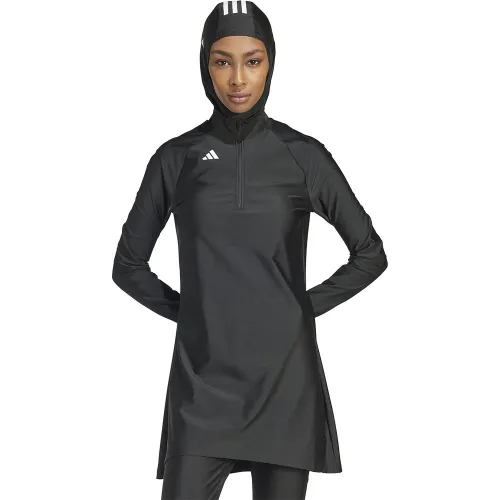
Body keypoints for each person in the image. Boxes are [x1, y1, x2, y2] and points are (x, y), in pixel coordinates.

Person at [112, 1, 388, 499]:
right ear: (205, 65)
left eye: (253, 61)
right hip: (202, 386)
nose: (238, 78)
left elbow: (369, 253)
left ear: (271, 63)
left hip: (285, 381)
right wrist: (193, 313)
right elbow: (127, 266)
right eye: (223, 61)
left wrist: (298, 308)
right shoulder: (177, 158)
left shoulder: (302, 155)